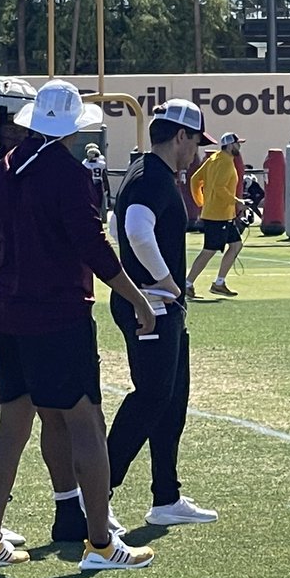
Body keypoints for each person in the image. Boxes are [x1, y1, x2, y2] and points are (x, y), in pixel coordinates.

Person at [0, 78, 159, 571]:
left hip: (8, 314)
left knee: (13, 423)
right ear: (71, 128)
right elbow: (92, 248)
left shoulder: (2, 170)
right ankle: (99, 543)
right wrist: (138, 300)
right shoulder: (68, 175)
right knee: (85, 421)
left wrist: (6, 292)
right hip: (56, 317)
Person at [0, 77, 92, 546]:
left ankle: (68, 510)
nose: (21, 131)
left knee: (53, 412)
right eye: (10, 124)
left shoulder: (25, 166)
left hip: (28, 297)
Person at [107, 99, 219, 528]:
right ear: (180, 136)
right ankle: (98, 491)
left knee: (171, 399)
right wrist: (167, 282)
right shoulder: (154, 176)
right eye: (195, 141)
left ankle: (166, 495)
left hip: (155, 302)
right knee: (152, 396)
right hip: (151, 303)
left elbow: (119, 224)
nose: (197, 151)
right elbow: (134, 228)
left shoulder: (143, 171)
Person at [184, 131, 249, 298]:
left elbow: (195, 180)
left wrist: (201, 202)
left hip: (221, 214)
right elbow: (220, 188)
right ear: (229, 145)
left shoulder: (213, 159)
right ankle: (187, 283)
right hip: (217, 216)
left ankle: (219, 283)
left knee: (236, 244)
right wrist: (237, 201)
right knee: (209, 250)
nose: (239, 147)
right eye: (237, 144)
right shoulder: (226, 163)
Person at [82, 143, 110, 212]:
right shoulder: (101, 163)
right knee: (99, 202)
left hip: (90, 183)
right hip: (98, 182)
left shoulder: (85, 163)